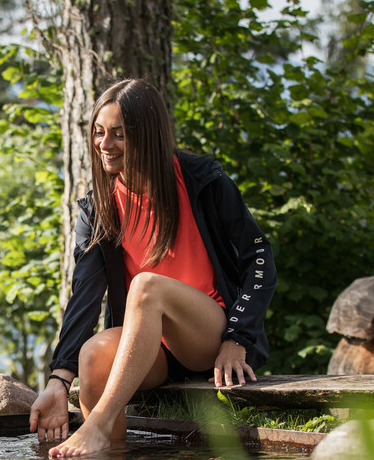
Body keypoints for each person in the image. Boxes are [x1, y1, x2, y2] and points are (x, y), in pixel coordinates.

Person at [29, 79, 276, 457]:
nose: (104, 145)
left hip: (206, 336)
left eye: (119, 135)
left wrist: (238, 337)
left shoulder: (201, 180)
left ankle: (97, 425)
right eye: (98, 132)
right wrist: (59, 379)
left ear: (147, 135)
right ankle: (110, 450)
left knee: (147, 287)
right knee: (93, 355)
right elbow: (85, 295)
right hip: (147, 349)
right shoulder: (98, 208)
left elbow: (259, 257)